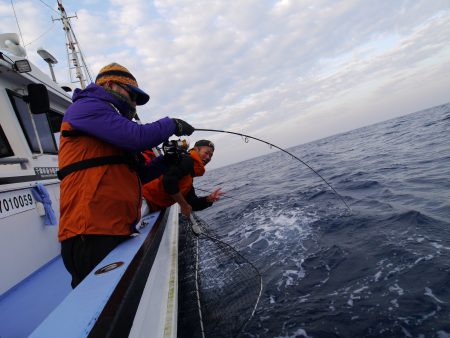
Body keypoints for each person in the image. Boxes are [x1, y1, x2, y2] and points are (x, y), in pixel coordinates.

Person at [58, 62, 194, 288]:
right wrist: (172, 123)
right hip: (89, 231)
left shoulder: (109, 123)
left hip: (114, 226)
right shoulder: (87, 107)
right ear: (110, 84)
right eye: (133, 95)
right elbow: (138, 137)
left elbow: (138, 174)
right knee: (100, 305)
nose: (134, 103)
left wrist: (166, 161)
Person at [142, 140, 224, 216]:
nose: (208, 157)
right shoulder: (187, 160)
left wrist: (208, 199)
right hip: (143, 201)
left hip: (151, 207)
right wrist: (183, 205)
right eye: (206, 153)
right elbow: (169, 180)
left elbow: (192, 203)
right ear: (196, 149)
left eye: (211, 155)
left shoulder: (189, 176)